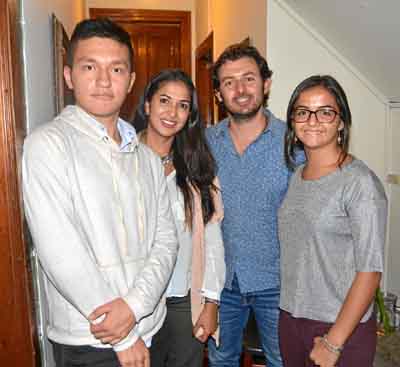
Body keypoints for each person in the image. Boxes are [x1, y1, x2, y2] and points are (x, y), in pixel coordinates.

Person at [22, 18, 178, 367]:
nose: (104, 81)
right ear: (69, 76)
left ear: (131, 81)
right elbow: (59, 249)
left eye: (117, 69)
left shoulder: (148, 158)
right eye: (90, 66)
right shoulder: (47, 145)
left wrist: (136, 307)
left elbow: (166, 242)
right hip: (89, 339)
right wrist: (123, 334)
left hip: (155, 325)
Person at [278, 75, 387, 367]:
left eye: (325, 111)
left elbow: (370, 270)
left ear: (341, 122)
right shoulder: (297, 177)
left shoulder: (359, 183)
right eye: (303, 111)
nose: (312, 120)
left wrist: (333, 341)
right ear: (292, 121)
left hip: (338, 328)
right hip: (291, 319)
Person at [205, 43, 290, 367]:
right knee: (221, 359)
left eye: (248, 79)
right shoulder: (205, 142)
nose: (240, 90)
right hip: (220, 282)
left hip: (277, 283)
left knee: (281, 360)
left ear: (266, 84)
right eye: (229, 82)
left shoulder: (292, 142)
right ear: (218, 94)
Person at [134, 69, 225, 367]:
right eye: (164, 100)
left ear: (190, 115)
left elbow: (212, 239)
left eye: (183, 105)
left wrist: (211, 301)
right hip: (139, 302)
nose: (172, 112)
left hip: (184, 301)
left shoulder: (198, 166)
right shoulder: (122, 161)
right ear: (147, 105)